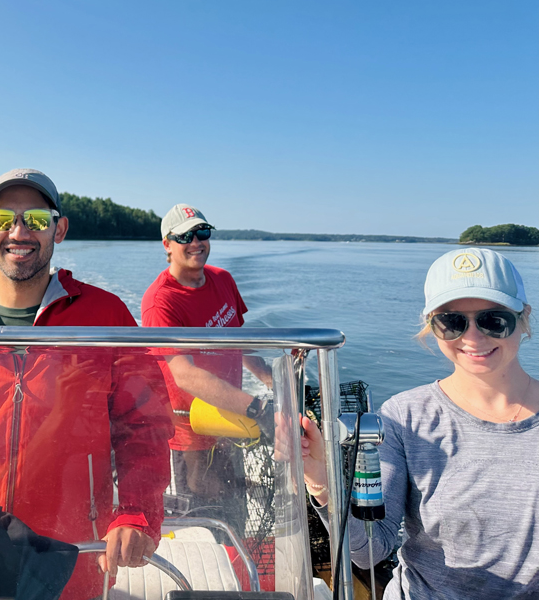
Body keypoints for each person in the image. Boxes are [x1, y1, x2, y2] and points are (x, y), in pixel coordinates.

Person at [0, 168, 174, 600]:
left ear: (59, 229)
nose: (18, 232)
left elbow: (144, 426)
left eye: (36, 219)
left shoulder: (105, 317)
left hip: (76, 555)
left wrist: (136, 512)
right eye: (4, 219)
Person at [301, 248, 539, 599]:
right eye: (452, 321)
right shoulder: (404, 416)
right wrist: (322, 481)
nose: (472, 338)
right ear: (431, 325)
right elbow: (370, 550)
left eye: (493, 319)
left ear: (523, 318)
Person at [140, 203, 273, 531]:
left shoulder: (223, 280)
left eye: (202, 233)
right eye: (184, 236)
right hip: (191, 430)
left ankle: (240, 570)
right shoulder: (160, 301)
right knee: (204, 517)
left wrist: (272, 380)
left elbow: (237, 341)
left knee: (236, 511)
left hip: (230, 416)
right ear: (167, 245)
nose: (196, 242)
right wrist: (258, 409)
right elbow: (183, 374)